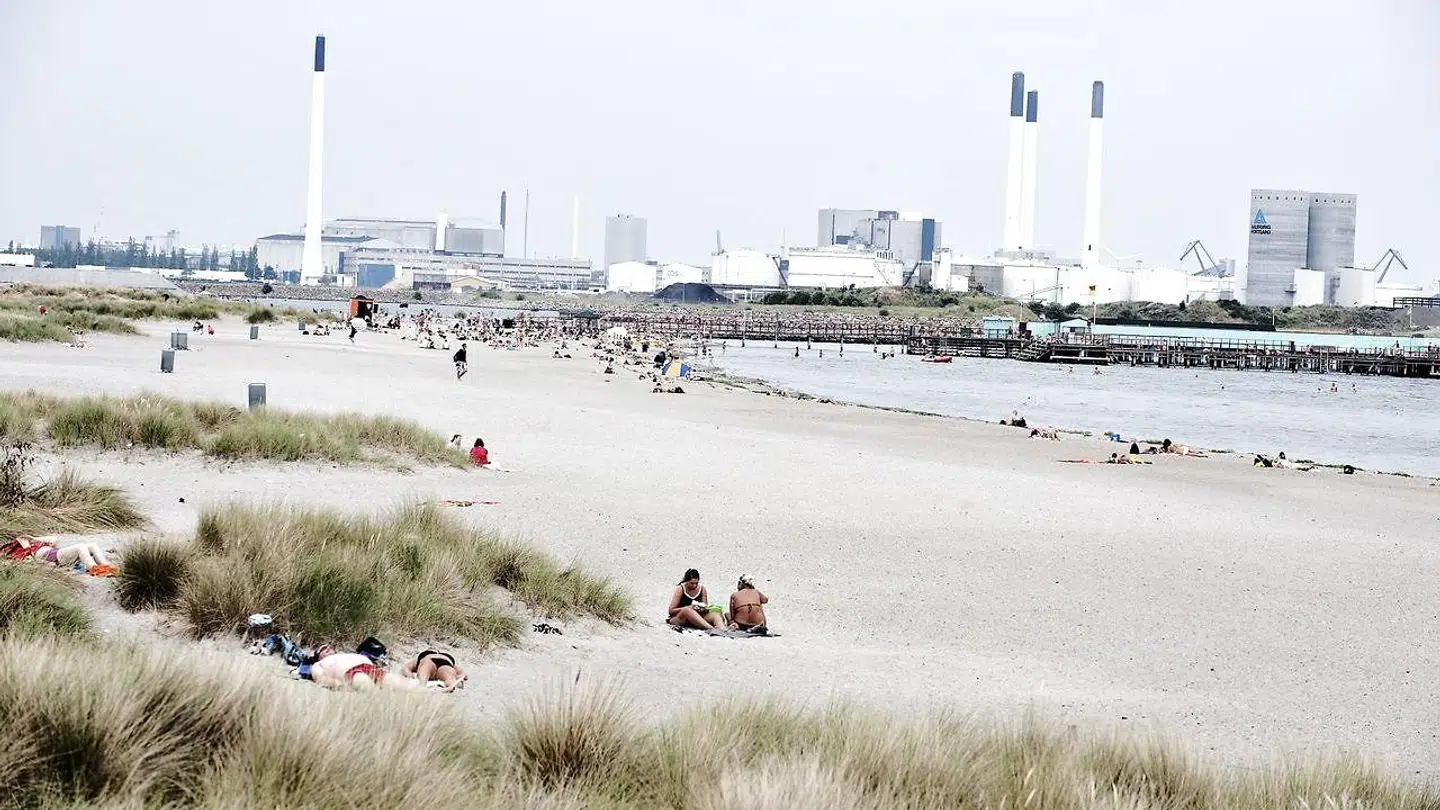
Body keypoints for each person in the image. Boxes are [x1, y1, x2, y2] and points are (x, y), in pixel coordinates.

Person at [2, 535, 117, 576]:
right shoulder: (19, 552)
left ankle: (106, 566)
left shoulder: (36, 543)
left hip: (58, 553)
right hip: (53, 556)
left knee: (92, 545)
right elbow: (27, 560)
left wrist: (34, 539)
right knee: (80, 547)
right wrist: (27, 547)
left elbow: (53, 539)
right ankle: (95, 569)